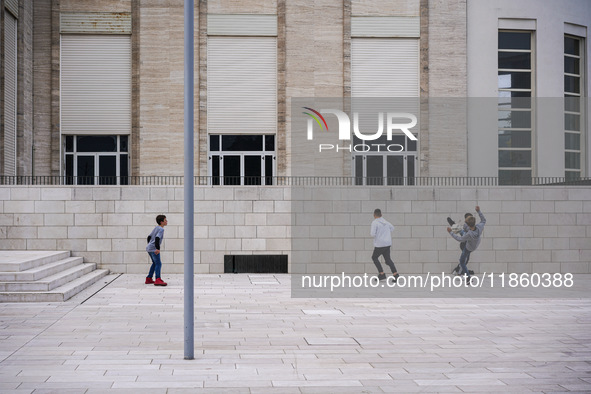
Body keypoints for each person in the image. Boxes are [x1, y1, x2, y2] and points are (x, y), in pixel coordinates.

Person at [447, 206, 486, 285]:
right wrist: (479, 211)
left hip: (468, 247)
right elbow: (483, 220)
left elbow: (459, 239)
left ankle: (467, 277)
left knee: (462, 261)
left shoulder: (469, 234)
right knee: (462, 232)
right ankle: (454, 225)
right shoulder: (479, 227)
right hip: (475, 243)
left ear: (467, 225)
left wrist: (450, 232)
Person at [370, 209, 399, 282]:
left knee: (374, 257)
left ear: (374, 215)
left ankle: (381, 273)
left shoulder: (375, 222)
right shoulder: (386, 222)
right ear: (381, 215)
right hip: (387, 244)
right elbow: (392, 228)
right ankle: (395, 274)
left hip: (379, 244)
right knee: (388, 260)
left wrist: (379, 234)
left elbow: (372, 234)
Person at [145, 214, 168, 286]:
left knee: (154, 263)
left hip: (149, 248)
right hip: (154, 249)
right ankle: (158, 279)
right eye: (165, 220)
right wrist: (157, 248)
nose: (166, 221)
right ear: (161, 222)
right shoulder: (161, 229)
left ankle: (149, 279)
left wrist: (150, 245)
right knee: (158, 263)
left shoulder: (156, 228)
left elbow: (149, 237)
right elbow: (157, 238)